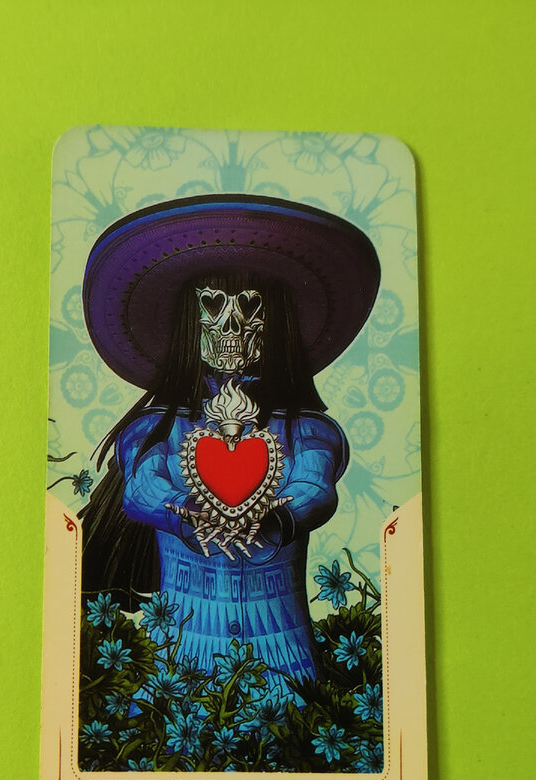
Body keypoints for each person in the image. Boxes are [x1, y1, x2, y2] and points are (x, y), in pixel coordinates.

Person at [79, 195, 380, 695]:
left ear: (276, 323)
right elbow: (142, 488)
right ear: (190, 323)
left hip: (284, 661)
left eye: (251, 307)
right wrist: (187, 513)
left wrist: (276, 517)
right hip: (181, 663)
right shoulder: (154, 429)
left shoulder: (306, 427)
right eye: (214, 305)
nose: (232, 326)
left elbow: (315, 485)